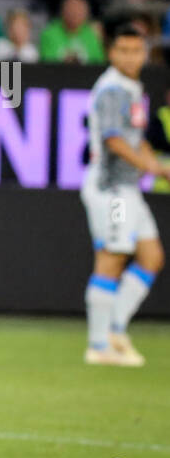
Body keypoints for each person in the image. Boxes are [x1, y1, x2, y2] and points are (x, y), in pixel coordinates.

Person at [80, 27, 168, 366]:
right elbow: (115, 142)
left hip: (130, 190)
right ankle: (98, 344)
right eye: (123, 50)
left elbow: (135, 138)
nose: (131, 57)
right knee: (112, 258)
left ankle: (115, 329)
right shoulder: (112, 90)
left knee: (151, 258)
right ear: (111, 53)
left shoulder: (132, 89)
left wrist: (155, 164)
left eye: (137, 50)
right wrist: (153, 167)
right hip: (112, 191)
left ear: (145, 53)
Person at [40, 0, 105, 63]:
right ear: (63, 12)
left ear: (86, 14)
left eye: (79, 10)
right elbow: (47, 63)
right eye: (71, 9)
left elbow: (98, 62)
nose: (75, 13)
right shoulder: (49, 34)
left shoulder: (92, 34)